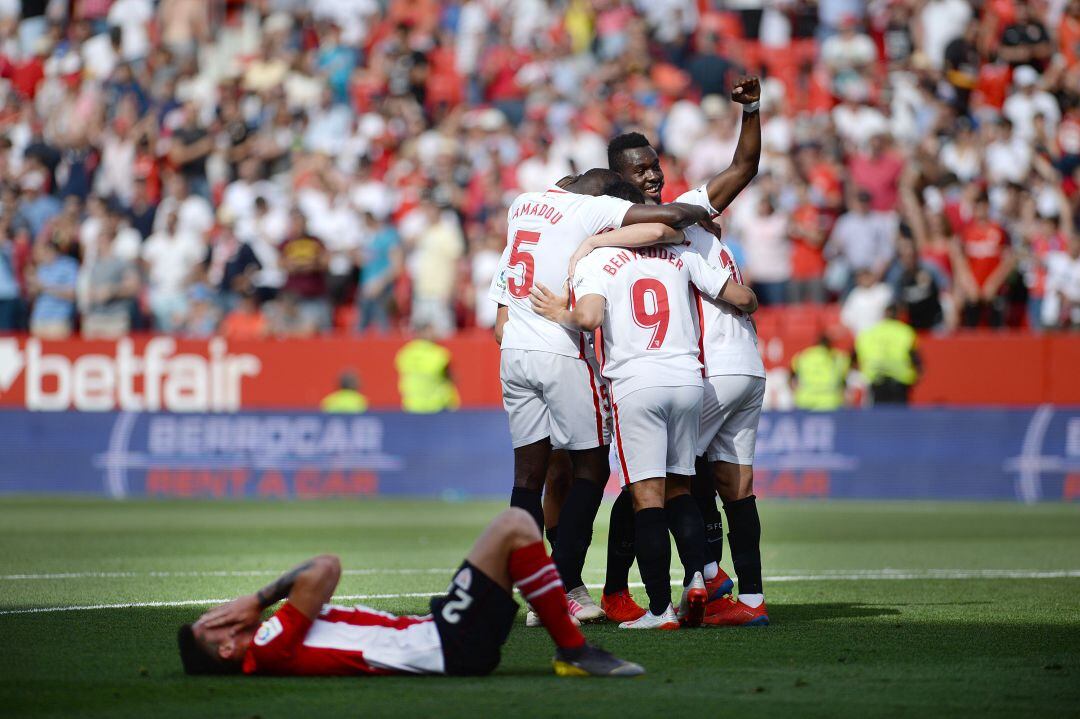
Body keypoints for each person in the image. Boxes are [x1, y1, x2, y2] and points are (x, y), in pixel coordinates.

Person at [488, 168, 714, 624]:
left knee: (528, 479)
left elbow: (498, 320)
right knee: (592, 466)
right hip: (560, 352)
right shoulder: (590, 211)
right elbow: (664, 222)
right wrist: (705, 209)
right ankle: (562, 584)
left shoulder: (521, 208)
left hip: (513, 349)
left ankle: (537, 589)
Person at [531, 218, 757, 630]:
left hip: (637, 383)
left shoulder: (596, 258)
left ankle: (660, 609)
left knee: (646, 497)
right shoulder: (680, 251)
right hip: (689, 377)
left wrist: (556, 312)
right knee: (682, 487)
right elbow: (741, 294)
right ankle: (698, 577)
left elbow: (589, 317)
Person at [601, 77, 768, 626]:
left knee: (650, 485)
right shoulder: (678, 221)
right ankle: (743, 597)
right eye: (639, 169)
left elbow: (741, 169)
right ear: (619, 181)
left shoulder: (675, 220)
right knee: (723, 482)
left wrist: (750, 109)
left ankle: (681, 580)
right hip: (732, 366)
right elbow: (740, 292)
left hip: (702, 370)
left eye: (654, 165)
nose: (652, 174)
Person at [178, 508, 644, 679]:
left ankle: (571, 646)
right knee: (514, 527)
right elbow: (325, 567)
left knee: (517, 529)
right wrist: (257, 601)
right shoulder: (264, 648)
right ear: (224, 645)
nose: (220, 610)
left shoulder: (271, 643)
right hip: (446, 646)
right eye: (212, 621)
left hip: (440, 635)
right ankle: (574, 650)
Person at [854, 304, 921, 405]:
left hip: (876, 381)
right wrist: (918, 374)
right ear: (899, 315)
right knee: (900, 417)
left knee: (879, 417)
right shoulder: (906, 332)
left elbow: (856, 356)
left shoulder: (869, 332)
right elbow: (915, 358)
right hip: (900, 383)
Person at [394, 328, 460, 413]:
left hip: (413, 405)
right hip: (437, 406)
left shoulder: (405, 353)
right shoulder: (438, 353)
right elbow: (453, 378)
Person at [791, 335, 850, 411]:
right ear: (830, 346)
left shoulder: (803, 357)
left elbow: (791, 377)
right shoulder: (838, 358)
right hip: (830, 403)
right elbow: (844, 380)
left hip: (805, 401)